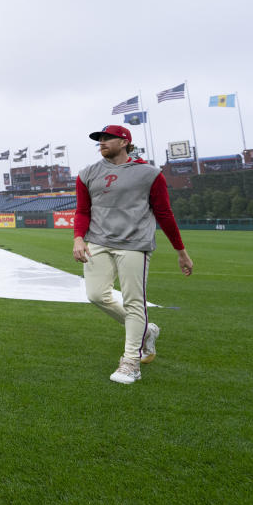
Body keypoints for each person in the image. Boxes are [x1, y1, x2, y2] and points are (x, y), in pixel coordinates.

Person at [73, 124, 193, 384]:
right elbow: (83, 211)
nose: (102, 142)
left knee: (134, 302)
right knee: (96, 295)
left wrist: (180, 252)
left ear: (125, 141)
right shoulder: (87, 173)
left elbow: (164, 213)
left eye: (107, 138)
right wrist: (78, 238)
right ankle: (147, 331)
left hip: (134, 244)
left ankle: (131, 363)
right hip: (97, 242)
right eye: (99, 139)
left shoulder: (149, 174)